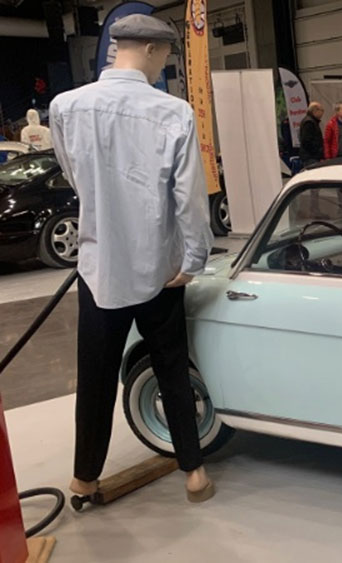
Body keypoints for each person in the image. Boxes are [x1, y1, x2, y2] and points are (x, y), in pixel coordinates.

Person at [48, 14, 216, 503]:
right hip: (160, 268)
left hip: (99, 266)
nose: (163, 66)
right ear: (149, 49)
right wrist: (194, 258)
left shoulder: (65, 106)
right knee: (171, 367)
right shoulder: (173, 113)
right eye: (164, 56)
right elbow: (189, 200)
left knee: (95, 376)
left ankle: (84, 477)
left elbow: (74, 176)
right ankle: (194, 473)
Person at [298, 101, 325, 167]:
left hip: (311, 156)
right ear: (315, 110)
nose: (322, 113)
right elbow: (306, 141)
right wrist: (317, 151)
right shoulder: (309, 123)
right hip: (311, 157)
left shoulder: (311, 121)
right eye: (321, 110)